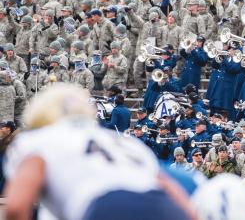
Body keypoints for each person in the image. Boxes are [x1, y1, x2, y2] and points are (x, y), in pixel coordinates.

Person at [2, 84, 196, 220]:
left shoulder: (38, 140)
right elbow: (171, 190)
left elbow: (17, 205)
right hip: (166, 208)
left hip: (104, 207)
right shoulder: (124, 142)